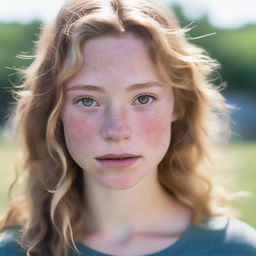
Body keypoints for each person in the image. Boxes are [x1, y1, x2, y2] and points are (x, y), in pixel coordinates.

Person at [0, 0, 256, 255]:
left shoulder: (237, 248)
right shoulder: (16, 250)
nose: (116, 131)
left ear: (178, 104)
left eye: (143, 98)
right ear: (54, 111)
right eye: (87, 101)